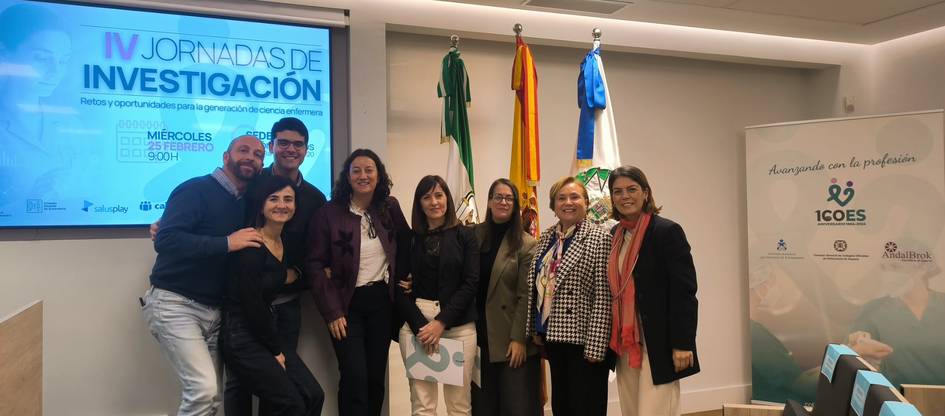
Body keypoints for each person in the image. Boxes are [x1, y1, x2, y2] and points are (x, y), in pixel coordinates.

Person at [142, 135, 265, 416]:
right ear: (225, 156)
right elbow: (166, 240)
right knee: (203, 391)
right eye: (243, 150)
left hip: (215, 311)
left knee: (210, 399)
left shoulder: (245, 201)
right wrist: (226, 243)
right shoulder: (195, 189)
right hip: (176, 304)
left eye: (258, 154)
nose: (251, 157)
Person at [224, 118, 327, 416]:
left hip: (286, 307)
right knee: (240, 385)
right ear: (272, 146)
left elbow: (315, 252)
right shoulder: (251, 184)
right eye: (283, 142)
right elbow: (219, 217)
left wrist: (296, 277)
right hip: (246, 306)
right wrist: (167, 223)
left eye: (297, 144)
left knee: (282, 392)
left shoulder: (315, 199)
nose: (290, 149)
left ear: (307, 150)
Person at [306, 149, 410, 416]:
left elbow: (408, 245)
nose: (363, 175)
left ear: (379, 175)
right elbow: (315, 265)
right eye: (357, 170)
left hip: (381, 304)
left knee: (375, 379)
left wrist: (409, 278)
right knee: (354, 378)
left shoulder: (390, 207)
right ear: (347, 176)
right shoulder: (328, 213)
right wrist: (331, 311)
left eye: (369, 170)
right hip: (345, 306)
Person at [606, 165, 699, 416]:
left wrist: (683, 343)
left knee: (657, 411)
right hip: (626, 343)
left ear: (645, 193)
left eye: (632, 189)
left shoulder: (667, 232)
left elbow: (684, 293)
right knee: (632, 411)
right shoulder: (615, 234)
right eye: (618, 191)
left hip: (659, 343)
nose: (625, 196)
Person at [526, 176, 612, 416]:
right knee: (562, 406)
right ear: (553, 206)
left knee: (586, 407)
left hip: (584, 341)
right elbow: (539, 285)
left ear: (586, 202)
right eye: (561, 198)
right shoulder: (546, 238)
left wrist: (596, 346)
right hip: (553, 336)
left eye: (575, 197)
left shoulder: (599, 237)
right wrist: (536, 328)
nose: (568, 202)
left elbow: (603, 297)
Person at [395, 175, 479, 416]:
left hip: (459, 325)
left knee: (459, 405)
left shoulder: (465, 235)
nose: (434, 202)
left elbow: (471, 283)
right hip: (416, 325)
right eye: (427, 196)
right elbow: (398, 287)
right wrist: (424, 327)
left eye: (439, 195)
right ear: (419, 203)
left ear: (447, 199)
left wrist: (440, 323)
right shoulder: (409, 239)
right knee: (422, 406)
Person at [0, 3, 86, 207]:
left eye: (64, 61)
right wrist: (29, 200)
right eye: (41, 58)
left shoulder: (72, 124)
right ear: (4, 53)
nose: (55, 71)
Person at [471, 178, 540, 416]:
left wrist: (519, 338)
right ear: (489, 201)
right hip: (477, 338)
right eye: (498, 197)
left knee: (516, 408)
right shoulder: (472, 236)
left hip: (510, 340)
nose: (503, 201)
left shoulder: (527, 244)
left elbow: (525, 295)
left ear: (516, 205)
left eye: (509, 198)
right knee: (482, 408)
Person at [847, 260, 945, 387]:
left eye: (895, 266)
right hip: (893, 401)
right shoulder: (874, 310)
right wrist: (857, 348)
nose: (889, 274)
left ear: (922, 267)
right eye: (884, 267)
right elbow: (851, 355)